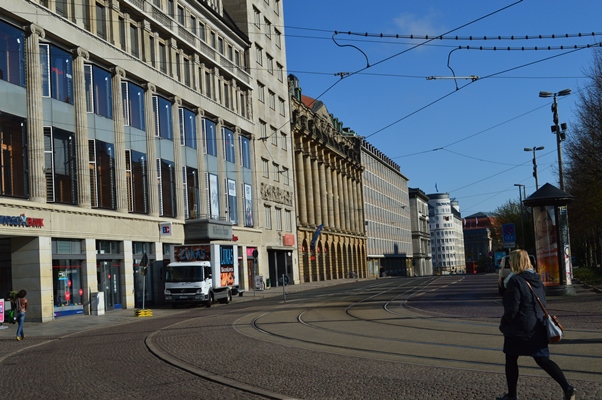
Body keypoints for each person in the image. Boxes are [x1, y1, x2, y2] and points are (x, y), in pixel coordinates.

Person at [497, 250, 575, 400]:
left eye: (511, 261)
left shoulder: (515, 281)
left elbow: (512, 309)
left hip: (519, 328)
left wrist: (504, 323)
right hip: (537, 326)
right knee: (542, 359)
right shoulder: (537, 279)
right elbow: (543, 302)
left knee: (511, 359)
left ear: (516, 262)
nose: (510, 263)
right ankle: (567, 387)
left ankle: (512, 396)